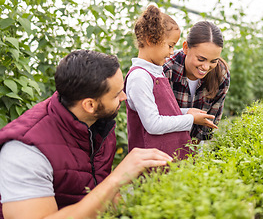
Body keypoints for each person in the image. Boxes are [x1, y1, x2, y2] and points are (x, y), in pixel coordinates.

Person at [0, 50, 173, 219]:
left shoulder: (97, 123)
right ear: (89, 105)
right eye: (116, 94)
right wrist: (116, 179)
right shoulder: (26, 151)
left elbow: (96, 194)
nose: (124, 97)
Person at [125, 5, 217, 160]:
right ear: (150, 40)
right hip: (151, 163)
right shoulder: (139, 77)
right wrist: (191, 119)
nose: (172, 52)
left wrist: (186, 112)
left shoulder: (156, 72)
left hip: (166, 157)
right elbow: (153, 124)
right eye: (170, 45)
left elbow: (162, 112)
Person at [163, 21, 230, 142]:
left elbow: (211, 120)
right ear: (186, 48)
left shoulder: (221, 75)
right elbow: (160, 115)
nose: (205, 67)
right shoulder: (167, 69)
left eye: (213, 61)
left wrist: (193, 147)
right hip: (165, 139)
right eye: (201, 59)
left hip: (195, 143)